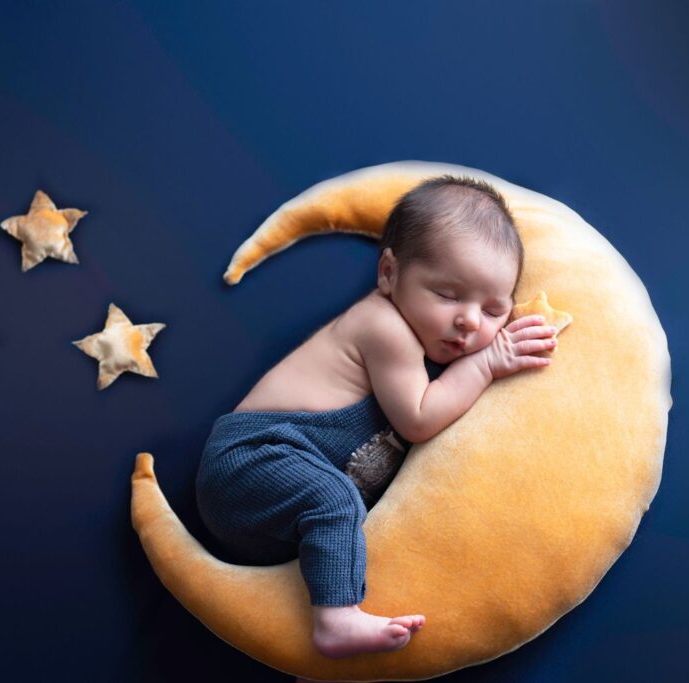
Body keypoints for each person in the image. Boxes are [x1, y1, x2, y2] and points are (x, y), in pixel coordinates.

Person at [194, 175, 558, 664]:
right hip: (250, 462)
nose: (471, 322)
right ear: (389, 273)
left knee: (350, 531)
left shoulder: (432, 354)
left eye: (494, 310)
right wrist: (490, 361)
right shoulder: (382, 326)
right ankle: (335, 621)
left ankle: (323, 646)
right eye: (448, 295)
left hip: (276, 511)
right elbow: (419, 419)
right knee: (336, 499)